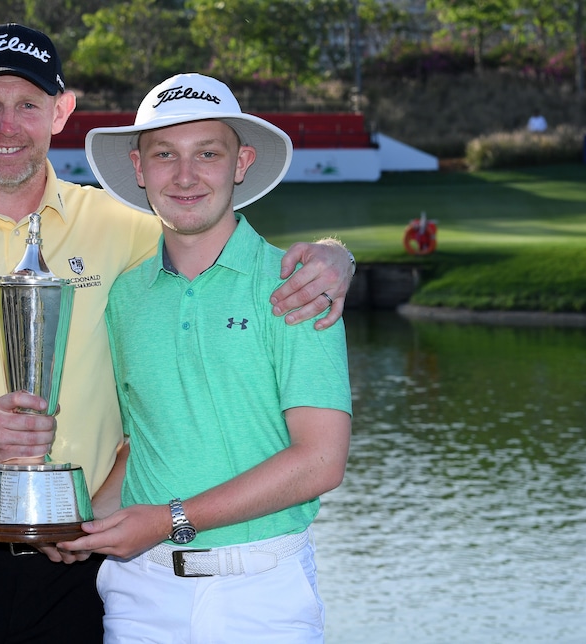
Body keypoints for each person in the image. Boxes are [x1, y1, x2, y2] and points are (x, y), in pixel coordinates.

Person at [0, 24, 354, 643]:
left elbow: (205, 228)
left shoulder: (119, 227)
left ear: (61, 111)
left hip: (80, 570)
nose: (7, 126)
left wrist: (334, 256)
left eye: (28, 105)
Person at [59, 73, 353, 642]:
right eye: (165, 154)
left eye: (208, 153)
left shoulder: (298, 283)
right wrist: (86, 525)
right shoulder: (125, 297)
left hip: (262, 593)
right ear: (140, 169)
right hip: (137, 593)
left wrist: (170, 519)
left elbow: (321, 461)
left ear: (240, 162)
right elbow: (145, 443)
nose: (186, 175)